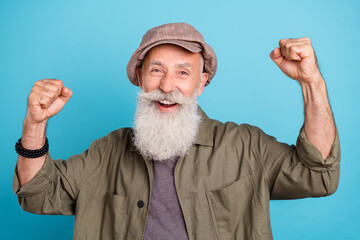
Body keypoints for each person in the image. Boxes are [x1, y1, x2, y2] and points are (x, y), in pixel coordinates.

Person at [13, 23, 340, 240]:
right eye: (156, 71)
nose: (167, 86)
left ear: (201, 84)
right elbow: (38, 194)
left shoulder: (246, 146)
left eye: (183, 73)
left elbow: (318, 174)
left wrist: (312, 83)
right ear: (140, 78)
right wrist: (35, 124)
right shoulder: (106, 151)